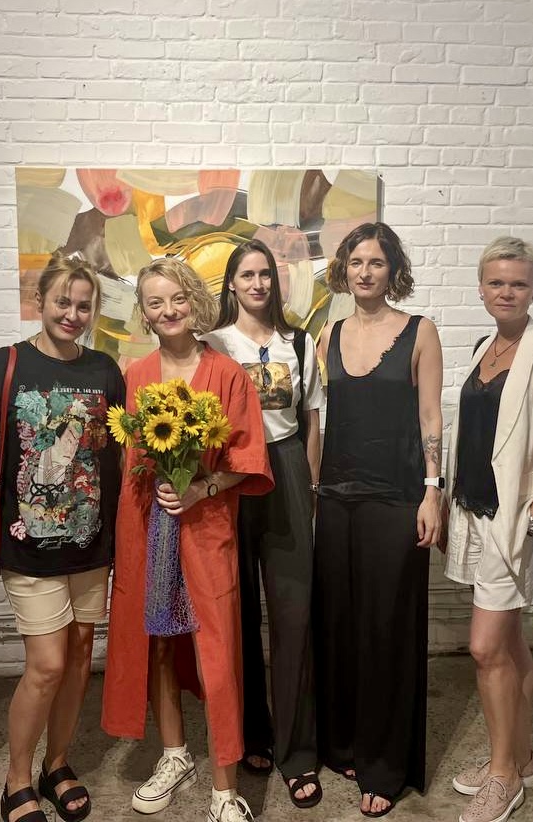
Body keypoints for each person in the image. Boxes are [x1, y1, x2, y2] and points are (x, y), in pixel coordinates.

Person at [101, 257, 273, 822]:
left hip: (205, 530)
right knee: (157, 643)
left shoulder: (227, 375)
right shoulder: (136, 374)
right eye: (156, 302)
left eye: (177, 298)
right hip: (148, 528)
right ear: (145, 313)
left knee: (215, 652)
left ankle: (225, 785)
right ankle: (174, 754)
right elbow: (130, 459)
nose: (169, 310)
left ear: (194, 302)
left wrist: (202, 486)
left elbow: (247, 459)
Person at [0, 252, 124, 822]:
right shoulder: (3, 366)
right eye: (62, 302)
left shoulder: (105, 371)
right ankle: (16, 780)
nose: (72, 314)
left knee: (79, 657)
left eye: (83, 306)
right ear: (40, 302)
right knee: (47, 664)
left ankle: (57, 764)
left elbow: (116, 455)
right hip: (28, 544)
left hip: (92, 543)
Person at [444, 237, 533, 822]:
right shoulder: (486, 348)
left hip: (515, 521)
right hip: (478, 512)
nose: (506, 292)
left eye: (518, 283)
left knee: (483, 648)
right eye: (497, 282)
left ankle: (503, 776)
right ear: (481, 288)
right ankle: (520, 757)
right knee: (508, 646)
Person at [313, 222, 443, 818]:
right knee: (340, 626)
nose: (365, 272)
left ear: (394, 271)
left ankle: (386, 763)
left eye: (377, 262)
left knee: (387, 629)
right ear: (344, 269)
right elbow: (318, 421)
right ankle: (345, 744)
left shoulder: (420, 332)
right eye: (357, 262)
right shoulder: (328, 334)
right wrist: (312, 494)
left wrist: (432, 492)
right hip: (336, 500)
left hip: (396, 499)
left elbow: (430, 418)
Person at [203, 239, 326, 809]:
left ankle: (297, 751)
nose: (257, 284)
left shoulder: (298, 341)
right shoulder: (213, 344)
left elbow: (311, 419)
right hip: (230, 474)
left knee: (293, 612)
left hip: (287, 468)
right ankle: (252, 733)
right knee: (237, 613)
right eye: (247, 274)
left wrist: (311, 485)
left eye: (265, 274)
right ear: (230, 283)